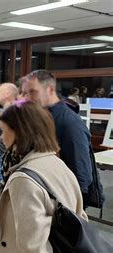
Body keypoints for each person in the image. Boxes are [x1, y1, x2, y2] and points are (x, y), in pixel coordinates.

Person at [0, 100, 87, 253]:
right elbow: (80, 216)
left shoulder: (23, 179)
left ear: (21, 131)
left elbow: (34, 247)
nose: (1, 138)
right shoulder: (56, 163)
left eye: (4, 131)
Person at [22, 70, 95, 206]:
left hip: (59, 204)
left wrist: (60, 206)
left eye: (32, 92)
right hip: (40, 195)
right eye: (25, 93)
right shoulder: (41, 117)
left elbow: (82, 176)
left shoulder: (70, 124)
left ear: (50, 90)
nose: (26, 98)